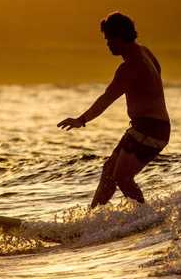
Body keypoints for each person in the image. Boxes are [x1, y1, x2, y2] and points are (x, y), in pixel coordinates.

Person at [57, 12, 171, 207]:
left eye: (109, 39)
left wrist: (81, 120)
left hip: (150, 129)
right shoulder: (145, 52)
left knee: (122, 178)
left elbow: (106, 99)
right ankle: (92, 219)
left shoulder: (130, 67)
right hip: (147, 127)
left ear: (120, 37)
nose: (107, 44)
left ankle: (146, 216)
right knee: (109, 170)